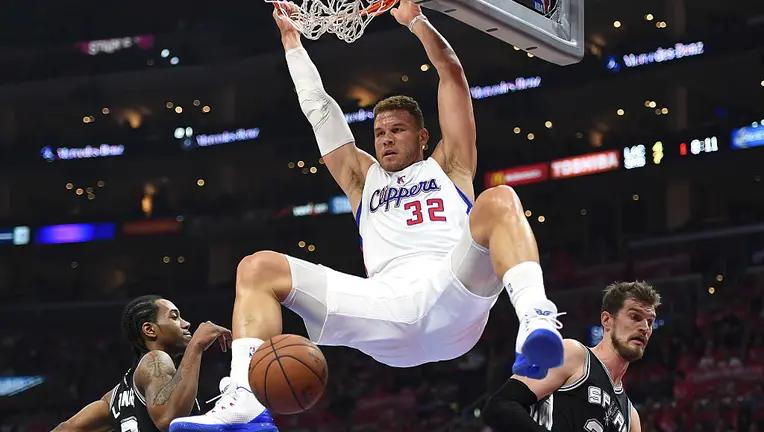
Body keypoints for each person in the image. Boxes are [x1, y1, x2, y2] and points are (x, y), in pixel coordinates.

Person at [173, 0, 563, 428]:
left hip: (451, 290)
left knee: (500, 198)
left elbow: (452, 74)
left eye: (397, 130)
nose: (386, 139)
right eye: (379, 133)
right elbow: (319, 108)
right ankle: (245, 400)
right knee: (256, 268)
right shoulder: (362, 179)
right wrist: (292, 43)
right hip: (383, 305)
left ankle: (536, 320)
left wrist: (416, 21)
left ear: (422, 136)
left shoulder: (450, 164)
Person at [52, 295, 278, 432]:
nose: (186, 324)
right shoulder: (156, 360)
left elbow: (66, 428)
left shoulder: (113, 398)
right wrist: (196, 345)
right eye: (174, 316)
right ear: (150, 330)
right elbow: (168, 419)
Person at [482, 281, 661, 432]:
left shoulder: (632, 419)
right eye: (635, 317)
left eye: (650, 322)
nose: (645, 328)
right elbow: (500, 405)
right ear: (607, 320)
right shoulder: (573, 354)